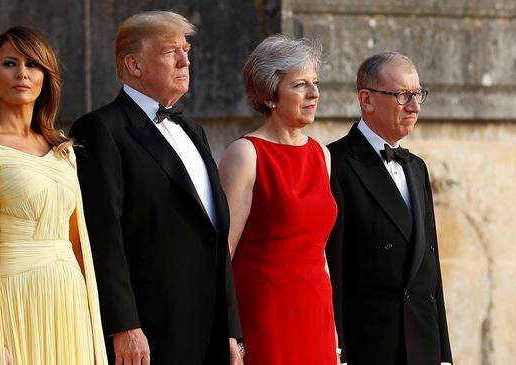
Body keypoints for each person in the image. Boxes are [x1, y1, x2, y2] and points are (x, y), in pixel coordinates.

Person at [68, 10, 242, 365]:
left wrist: (230, 330)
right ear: (134, 65)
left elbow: (214, 236)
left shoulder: (194, 131)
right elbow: (102, 236)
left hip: (209, 330)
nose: (184, 60)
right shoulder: (100, 129)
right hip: (147, 333)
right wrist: (123, 326)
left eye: (186, 50)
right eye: (169, 52)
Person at [0, 26, 107, 365]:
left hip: (68, 299)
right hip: (12, 300)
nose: (22, 73)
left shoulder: (63, 149)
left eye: (33, 64)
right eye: (9, 63)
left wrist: (92, 325)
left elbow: (78, 244)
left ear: (45, 77)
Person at [219, 34, 339, 364]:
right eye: (300, 85)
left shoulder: (322, 155)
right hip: (265, 313)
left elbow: (320, 250)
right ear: (269, 94)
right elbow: (221, 253)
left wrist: (334, 331)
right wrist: (228, 333)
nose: (314, 93)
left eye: (315, 83)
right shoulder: (245, 154)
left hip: (316, 311)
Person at [326, 51, 453, 365]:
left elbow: (430, 270)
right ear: (366, 100)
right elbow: (332, 269)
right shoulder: (333, 163)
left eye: (418, 94)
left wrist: (444, 355)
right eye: (402, 95)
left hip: (423, 346)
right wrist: (337, 352)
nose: (415, 106)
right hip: (368, 346)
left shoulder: (418, 168)